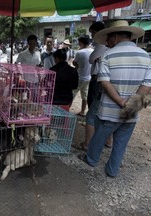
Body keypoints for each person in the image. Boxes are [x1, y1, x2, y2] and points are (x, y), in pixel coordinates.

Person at [78, 20, 151, 177]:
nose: (107, 42)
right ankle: (112, 170)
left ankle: (91, 160)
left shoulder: (108, 55)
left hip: (109, 110)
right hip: (132, 110)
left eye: (108, 39)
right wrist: (130, 104)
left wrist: (120, 101)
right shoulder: (146, 56)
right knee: (121, 142)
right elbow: (147, 85)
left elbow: (104, 82)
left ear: (116, 36)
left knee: (99, 137)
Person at [75, 22, 110, 151]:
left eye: (93, 33)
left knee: (92, 112)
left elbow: (91, 59)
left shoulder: (101, 45)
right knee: (103, 110)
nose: (92, 36)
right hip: (100, 79)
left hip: (98, 80)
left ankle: (88, 144)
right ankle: (108, 140)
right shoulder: (109, 46)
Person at [72, 35, 93, 117]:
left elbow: (74, 63)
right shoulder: (93, 51)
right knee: (85, 95)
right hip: (89, 78)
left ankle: (67, 109)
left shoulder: (80, 52)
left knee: (72, 94)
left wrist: (77, 65)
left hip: (80, 77)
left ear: (81, 43)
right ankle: (82, 111)